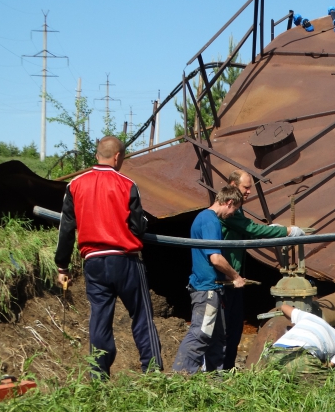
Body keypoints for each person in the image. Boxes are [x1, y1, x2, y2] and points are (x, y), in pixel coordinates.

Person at [55, 136, 162, 378]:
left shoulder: (74, 185)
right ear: (117, 157)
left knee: (100, 319)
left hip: (94, 262)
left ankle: (98, 376)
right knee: (141, 315)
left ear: (96, 156)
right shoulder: (127, 184)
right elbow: (137, 226)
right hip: (126, 260)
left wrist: (62, 265)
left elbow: (66, 229)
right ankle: (152, 370)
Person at [220, 170, 305, 369]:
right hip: (226, 277)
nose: (249, 191)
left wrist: (271, 230)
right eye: (245, 187)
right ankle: (218, 369)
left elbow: (247, 232)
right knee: (224, 326)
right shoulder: (228, 208)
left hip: (235, 275)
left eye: (250, 187)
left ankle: (227, 367)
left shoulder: (237, 209)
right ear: (232, 185)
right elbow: (251, 229)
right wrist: (285, 231)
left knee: (234, 325)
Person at [172, 186, 247, 373]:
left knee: (218, 337)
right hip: (207, 290)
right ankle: (181, 376)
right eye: (234, 209)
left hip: (214, 289)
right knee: (201, 333)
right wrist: (235, 276)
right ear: (229, 202)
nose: (232, 214)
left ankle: (216, 381)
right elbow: (215, 258)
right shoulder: (210, 221)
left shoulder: (205, 219)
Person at [261, 304, 335, 374]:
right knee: (325, 389)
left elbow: (284, 307)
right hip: (302, 357)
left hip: (273, 353)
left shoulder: (310, 317)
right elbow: (329, 366)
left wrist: (293, 321)